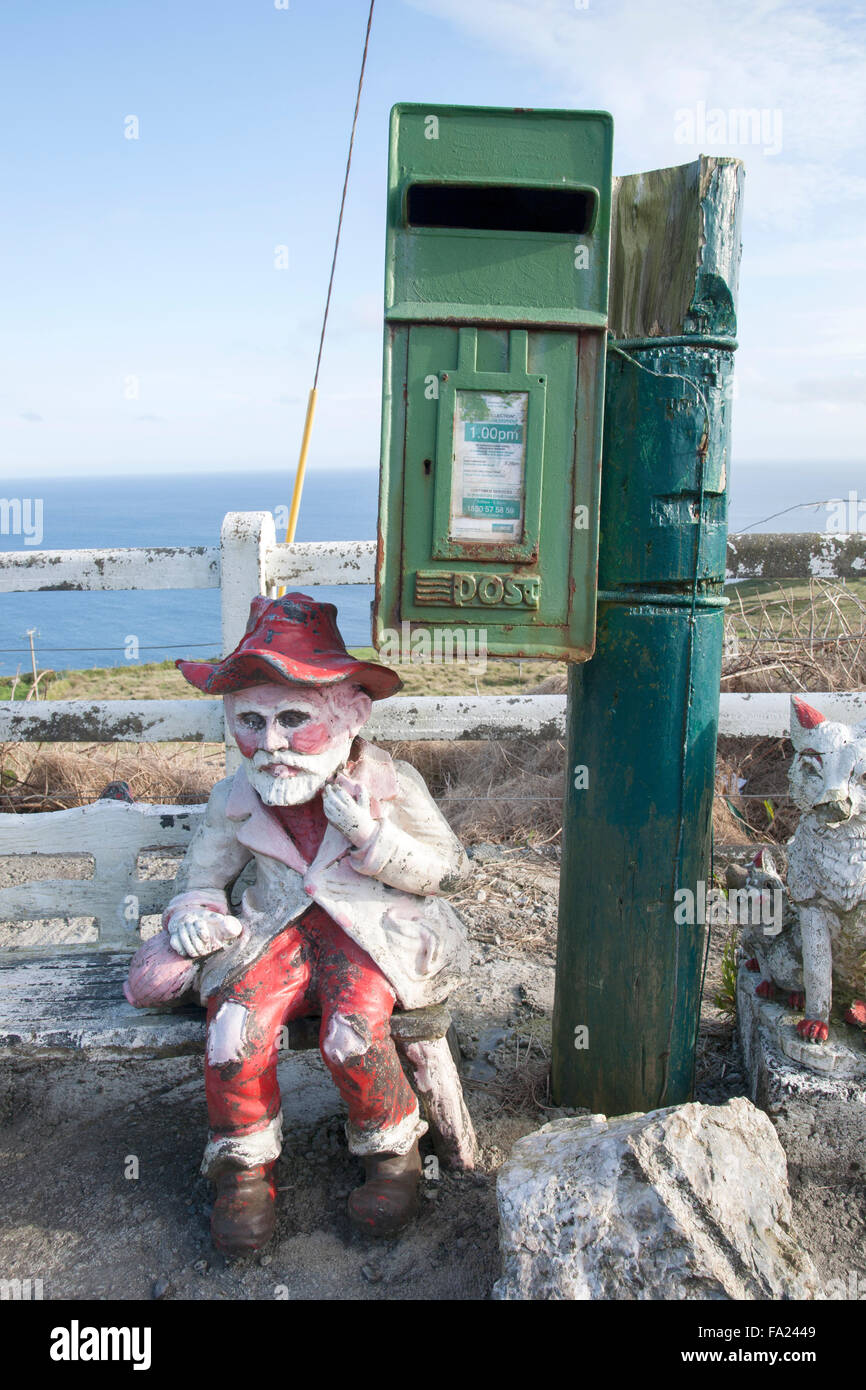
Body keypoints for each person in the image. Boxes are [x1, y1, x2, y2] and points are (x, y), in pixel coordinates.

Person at [124, 593, 470, 1254]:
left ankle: (391, 1160)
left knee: (352, 1033)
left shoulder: (391, 785)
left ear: (351, 715)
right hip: (272, 934)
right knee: (233, 1031)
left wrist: (372, 838)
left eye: (292, 718)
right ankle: (243, 1174)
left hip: (370, 933)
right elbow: (201, 878)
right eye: (250, 721)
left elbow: (449, 872)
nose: (270, 743)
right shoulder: (235, 797)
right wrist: (197, 914)